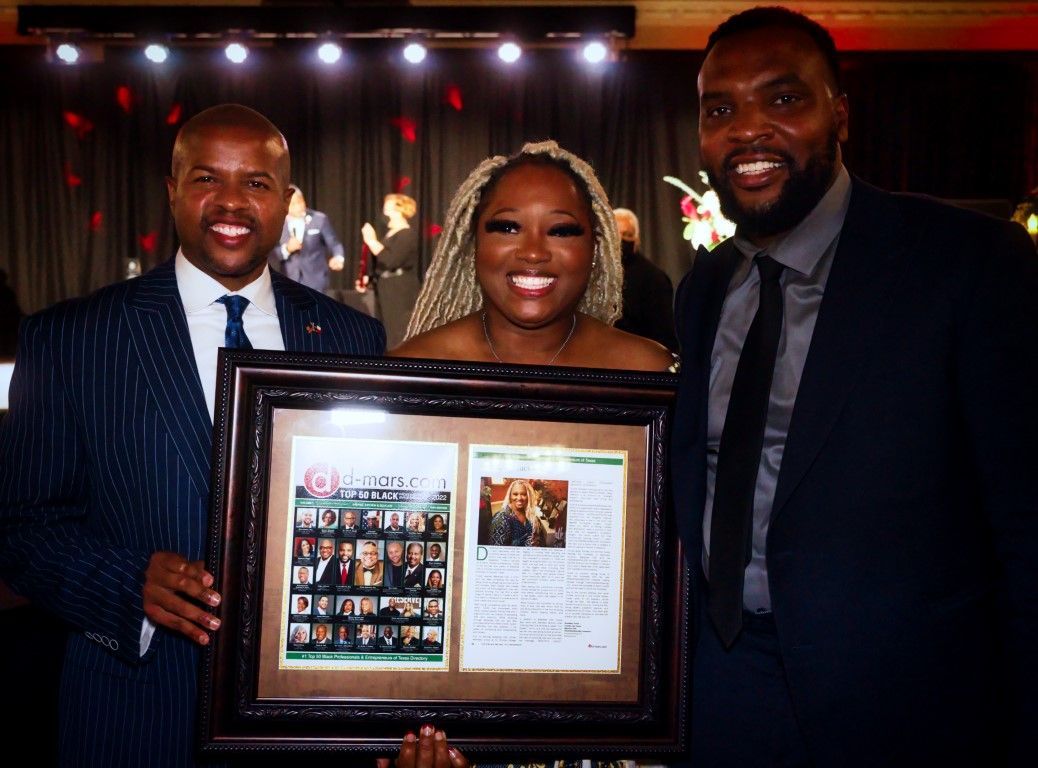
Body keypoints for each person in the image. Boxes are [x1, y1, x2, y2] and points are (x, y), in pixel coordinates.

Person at [670, 8, 1037, 767]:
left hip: (909, 704)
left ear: (839, 114)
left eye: (782, 99)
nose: (748, 130)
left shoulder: (965, 264)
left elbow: (1027, 523)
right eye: (720, 109)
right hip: (722, 686)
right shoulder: (706, 284)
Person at [0, 103, 385, 766]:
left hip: (308, 722)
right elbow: (20, 525)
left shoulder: (352, 338)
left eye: (256, 183)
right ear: (172, 191)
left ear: (286, 200)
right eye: (208, 179)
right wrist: (128, 584)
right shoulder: (71, 339)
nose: (231, 202)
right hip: (133, 714)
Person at [391, 141, 673, 373]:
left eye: (561, 231)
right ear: (473, 245)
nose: (533, 253)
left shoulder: (650, 370)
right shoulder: (412, 368)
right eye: (508, 227)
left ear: (595, 248)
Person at [612, 207, 678, 351]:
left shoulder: (654, 278)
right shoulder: (595, 273)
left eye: (627, 234)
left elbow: (664, 336)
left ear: (637, 239)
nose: (621, 240)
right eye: (616, 234)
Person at [360, 193, 421, 347]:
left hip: (399, 289)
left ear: (400, 211)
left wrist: (371, 241)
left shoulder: (407, 235)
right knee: (385, 329)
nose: (384, 214)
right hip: (384, 286)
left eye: (388, 210)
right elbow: (379, 262)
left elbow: (391, 260)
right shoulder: (389, 235)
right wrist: (368, 277)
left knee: (396, 330)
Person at [268, 184, 345, 294]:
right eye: (294, 204)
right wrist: (287, 249)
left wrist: (338, 258)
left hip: (316, 285)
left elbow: (335, 244)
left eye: (301, 201)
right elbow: (271, 255)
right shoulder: (277, 224)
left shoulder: (319, 219)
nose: (299, 207)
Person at [489, 479, 544, 547]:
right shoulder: (501, 519)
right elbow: (497, 551)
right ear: (510, 496)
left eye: (524, 494)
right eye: (515, 494)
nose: (519, 498)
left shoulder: (531, 517)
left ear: (528, 496)